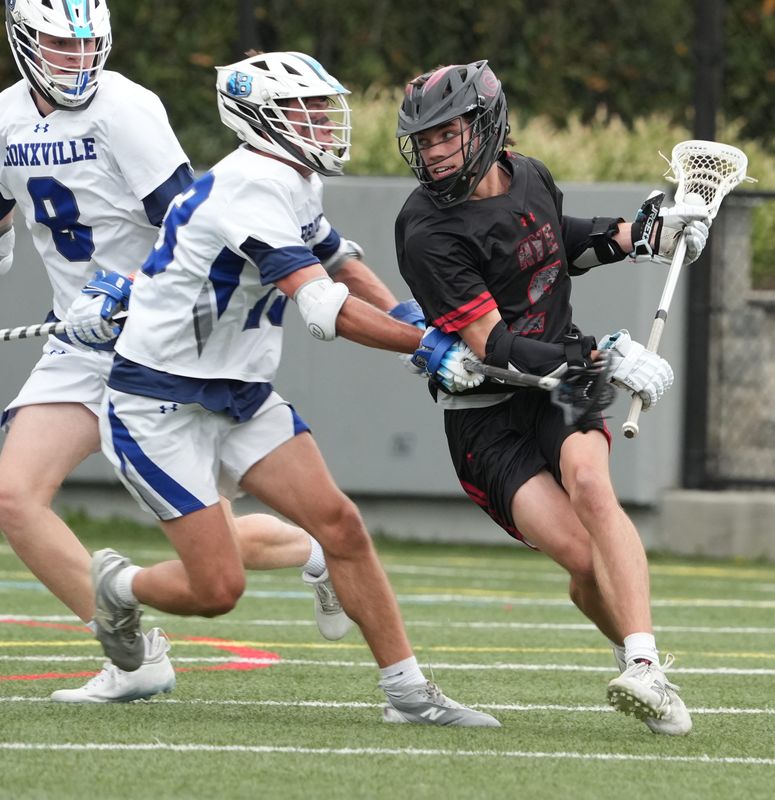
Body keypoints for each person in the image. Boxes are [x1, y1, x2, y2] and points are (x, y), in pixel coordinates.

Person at [79, 50, 498, 728]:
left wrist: (407, 318)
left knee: (340, 525)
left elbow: (340, 261)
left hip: (239, 392)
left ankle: (408, 694)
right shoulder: (249, 183)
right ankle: (118, 587)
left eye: (320, 109)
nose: (322, 124)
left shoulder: (294, 177)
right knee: (217, 590)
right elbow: (322, 307)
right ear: (257, 119)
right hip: (158, 400)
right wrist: (425, 344)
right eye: (304, 111)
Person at [0, 0, 367, 704]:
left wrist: (128, 293)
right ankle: (136, 658)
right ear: (22, 38)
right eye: (57, 44)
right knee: (16, 496)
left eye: (87, 45)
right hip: (81, 339)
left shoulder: (127, 110)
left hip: (156, 337)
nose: (76, 59)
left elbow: (194, 226)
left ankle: (316, 550)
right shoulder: (6, 116)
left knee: (212, 538)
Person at [393, 60, 712, 736]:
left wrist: (643, 236)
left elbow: (551, 243)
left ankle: (645, 665)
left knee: (592, 487)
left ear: (485, 125)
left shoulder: (529, 174)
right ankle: (636, 652)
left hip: (562, 384)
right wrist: (604, 352)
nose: (434, 151)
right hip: (486, 415)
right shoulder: (426, 229)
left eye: (446, 134)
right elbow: (492, 347)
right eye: (424, 140)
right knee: (577, 557)